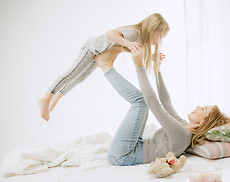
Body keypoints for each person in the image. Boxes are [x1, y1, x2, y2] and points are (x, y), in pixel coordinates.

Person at [93, 45, 230, 166]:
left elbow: (154, 103)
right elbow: (166, 102)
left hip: (123, 156)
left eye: (203, 109)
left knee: (140, 102)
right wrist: (156, 70)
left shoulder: (183, 135)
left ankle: (105, 66)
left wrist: (139, 66)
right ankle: (107, 65)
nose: (198, 106)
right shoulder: (183, 126)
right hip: (130, 148)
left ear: (203, 122)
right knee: (142, 102)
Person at [38, 13, 169, 121]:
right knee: (71, 74)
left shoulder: (140, 40)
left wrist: (151, 57)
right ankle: (45, 99)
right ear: (153, 28)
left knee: (79, 79)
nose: (158, 41)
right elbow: (110, 34)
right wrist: (127, 43)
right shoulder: (134, 33)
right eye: (160, 36)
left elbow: (137, 52)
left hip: (98, 55)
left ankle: (56, 98)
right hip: (92, 49)